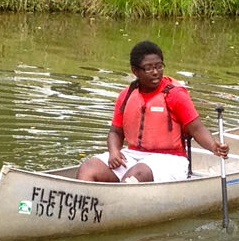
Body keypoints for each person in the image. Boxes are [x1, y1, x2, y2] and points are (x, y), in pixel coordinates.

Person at [77, 40, 229, 182]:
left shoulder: (175, 94)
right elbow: (115, 132)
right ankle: (85, 206)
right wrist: (114, 152)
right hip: (132, 155)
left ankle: (119, 204)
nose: (155, 72)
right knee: (88, 168)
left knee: (136, 174)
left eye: (159, 66)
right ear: (135, 71)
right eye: (148, 68)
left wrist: (213, 146)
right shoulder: (126, 95)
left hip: (170, 159)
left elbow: (197, 128)